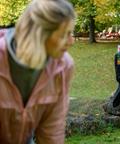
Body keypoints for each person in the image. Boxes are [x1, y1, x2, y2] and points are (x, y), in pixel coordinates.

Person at [0, 0, 75, 143]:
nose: (71, 41)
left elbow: (52, 134)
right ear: (39, 33)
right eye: (64, 34)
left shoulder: (63, 67)